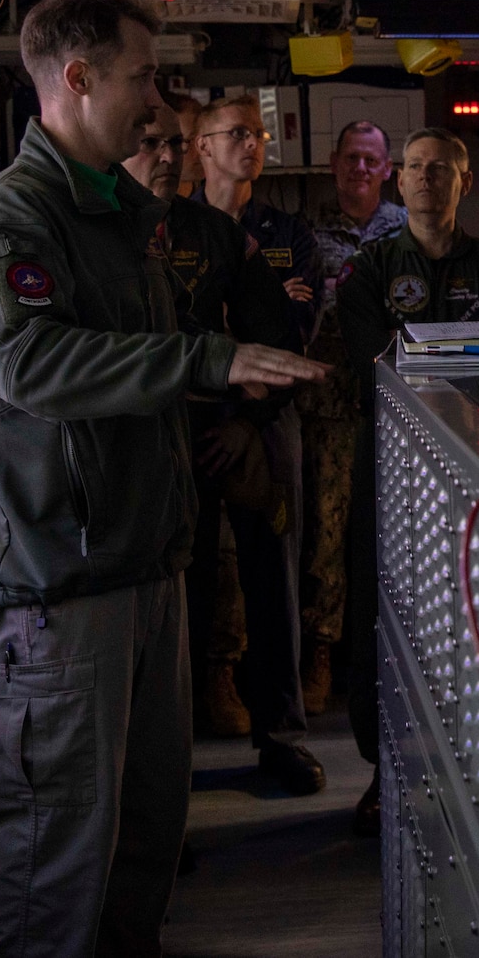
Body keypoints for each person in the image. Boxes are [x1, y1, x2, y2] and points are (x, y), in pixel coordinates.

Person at [0, 0, 326, 958]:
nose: (156, 102)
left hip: (148, 573)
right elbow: (34, 367)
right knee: (49, 882)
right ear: (77, 78)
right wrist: (205, 359)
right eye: (141, 76)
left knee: (139, 857)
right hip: (63, 597)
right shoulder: (8, 223)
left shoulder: (119, 214)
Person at [337, 126, 479, 837]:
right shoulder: (370, 270)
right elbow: (379, 367)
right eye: (415, 168)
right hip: (390, 462)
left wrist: (437, 347)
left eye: (441, 169)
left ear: (465, 181)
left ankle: (478, 768)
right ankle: (381, 770)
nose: (427, 179)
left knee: (474, 615)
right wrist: (475, 337)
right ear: (399, 181)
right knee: (382, 612)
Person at [121, 103, 327, 793]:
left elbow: (277, 334)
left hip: (234, 433)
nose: (165, 157)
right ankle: (167, 766)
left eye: (175, 145)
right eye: (150, 143)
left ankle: (282, 737)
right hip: (153, 441)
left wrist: (243, 421)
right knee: (180, 600)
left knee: (272, 580)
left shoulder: (216, 234)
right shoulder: (105, 238)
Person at [297, 120, 407, 714]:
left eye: (372, 160)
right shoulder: (310, 236)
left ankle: (392, 651)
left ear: (388, 169)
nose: (360, 169)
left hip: (397, 404)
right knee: (327, 533)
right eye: (350, 159)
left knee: (394, 532)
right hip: (332, 406)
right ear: (334, 165)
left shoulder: (410, 231)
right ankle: (321, 649)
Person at [193, 93, 322, 344]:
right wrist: (272, 300)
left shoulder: (291, 232)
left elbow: (299, 330)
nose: (253, 143)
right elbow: (177, 327)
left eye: (259, 134)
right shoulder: (179, 226)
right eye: (238, 133)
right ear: (203, 145)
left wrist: (228, 313)